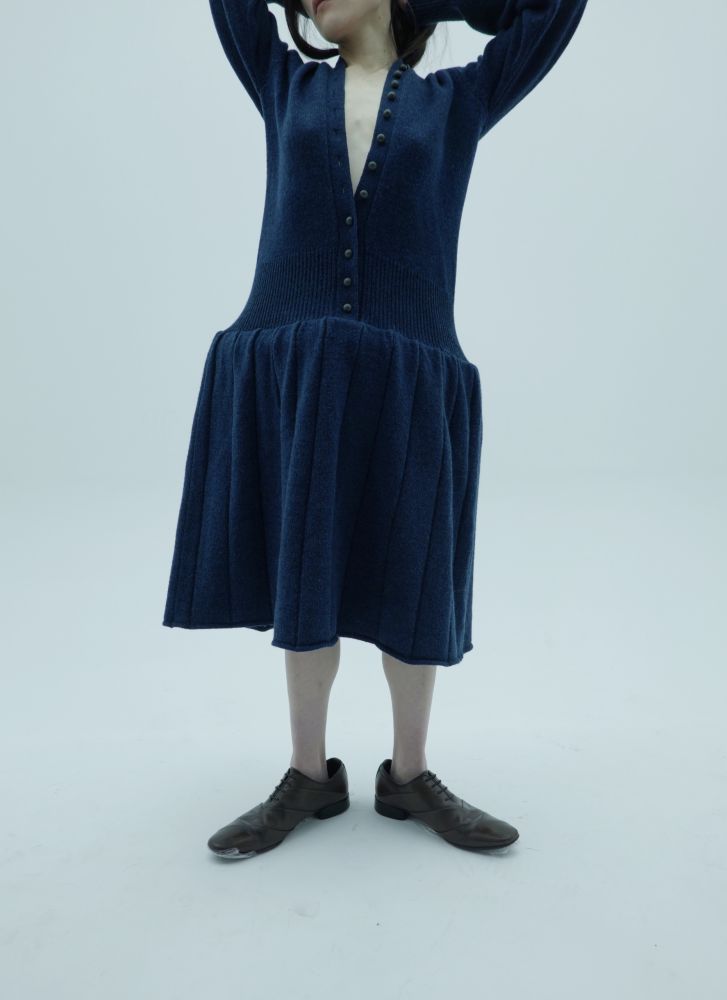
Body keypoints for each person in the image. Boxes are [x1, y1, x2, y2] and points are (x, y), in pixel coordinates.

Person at [162, 0, 589, 857]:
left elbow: (553, 14)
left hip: (409, 365)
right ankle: (308, 772)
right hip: (302, 365)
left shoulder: (458, 101)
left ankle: (410, 774)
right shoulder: (282, 84)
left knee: (413, 573)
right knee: (305, 570)